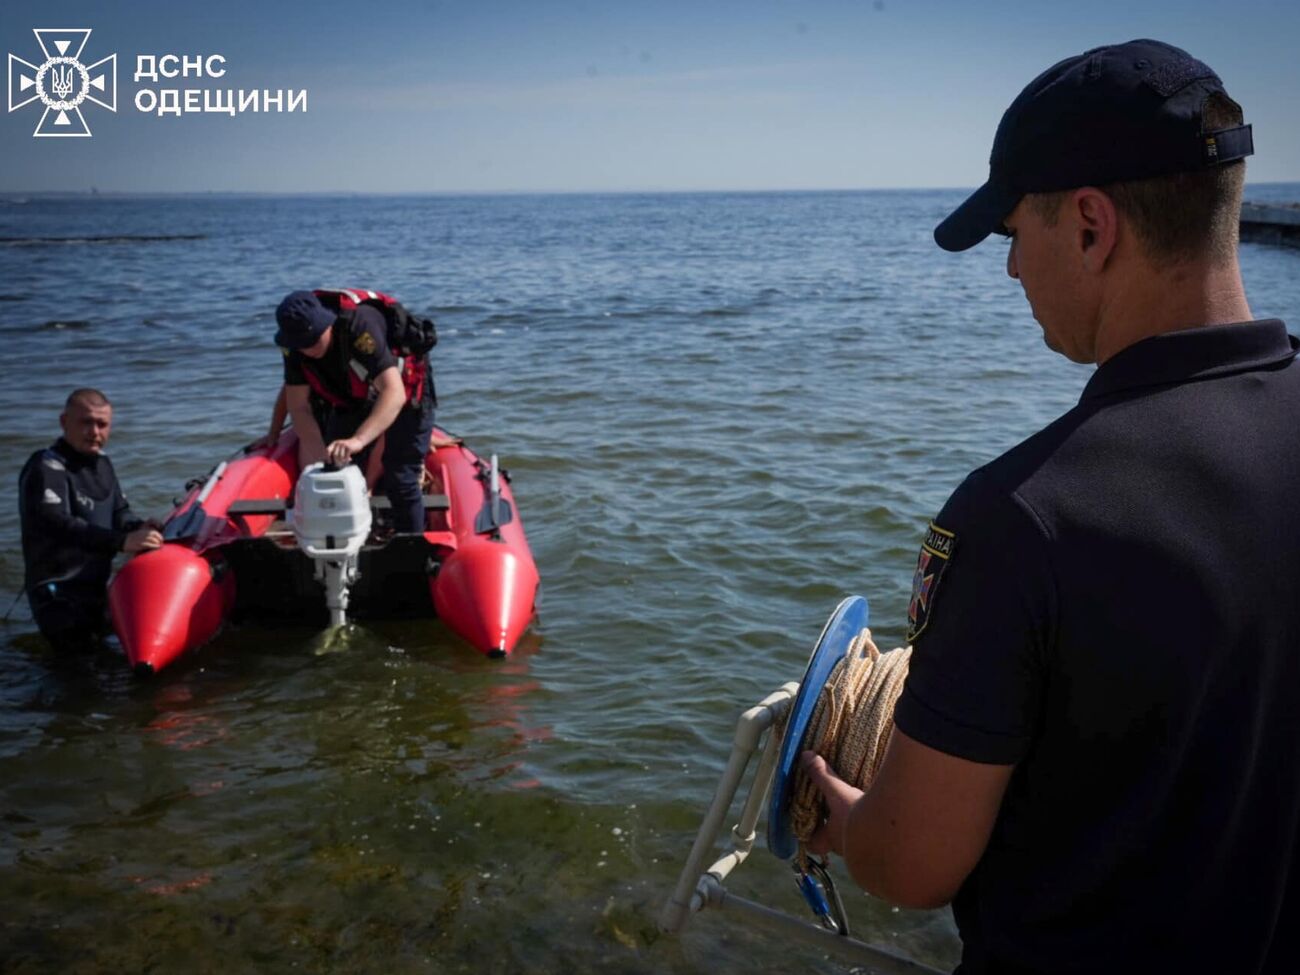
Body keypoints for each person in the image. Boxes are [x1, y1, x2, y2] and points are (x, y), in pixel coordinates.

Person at [800, 39, 1299, 974]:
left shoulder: (1022, 516)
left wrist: (850, 818)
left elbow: (914, 866)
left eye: (1012, 235)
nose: (1012, 272)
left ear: (1088, 225)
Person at [273, 288, 437, 533]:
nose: (308, 349)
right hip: (350, 392)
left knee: (401, 476)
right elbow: (298, 406)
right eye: (302, 346)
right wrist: (322, 456)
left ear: (326, 324)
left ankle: (412, 545)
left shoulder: (358, 327)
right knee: (336, 471)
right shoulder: (294, 346)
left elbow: (394, 393)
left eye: (314, 340)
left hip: (404, 386)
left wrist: (359, 440)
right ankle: (345, 541)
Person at [18, 389, 162, 652]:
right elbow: (56, 523)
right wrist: (121, 542)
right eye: (86, 422)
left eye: (102, 424)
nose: (95, 432)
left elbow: (119, 511)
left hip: (96, 593)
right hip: (58, 598)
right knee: (85, 680)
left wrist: (138, 527)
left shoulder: (103, 464)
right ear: (64, 422)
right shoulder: (45, 467)